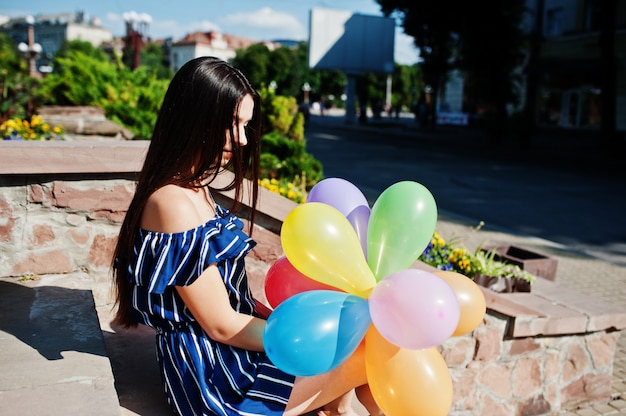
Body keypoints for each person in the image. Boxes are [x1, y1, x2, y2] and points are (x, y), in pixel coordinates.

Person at [111, 56, 383, 416]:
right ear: (195, 119)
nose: (241, 140)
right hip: (218, 379)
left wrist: (297, 324)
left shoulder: (196, 190)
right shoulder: (171, 203)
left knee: (356, 343)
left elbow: (233, 299)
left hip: (231, 360)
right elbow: (221, 324)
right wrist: (296, 341)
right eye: (232, 125)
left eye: (246, 125)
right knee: (365, 353)